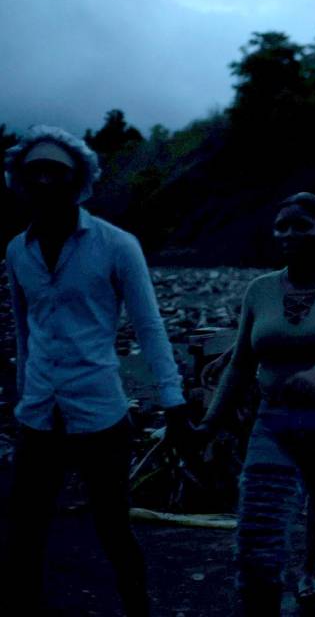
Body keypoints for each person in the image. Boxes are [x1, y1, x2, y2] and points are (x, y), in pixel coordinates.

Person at [2, 126, 193, 616]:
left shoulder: (116, 245)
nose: (45, 181)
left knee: (112, 527)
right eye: (34, 172)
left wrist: (173, 402)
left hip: (100, 412)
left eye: (56, 172)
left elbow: (149, 326)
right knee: (25, 529)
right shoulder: (16, 251)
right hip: (38, 414)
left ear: (79, 180)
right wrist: (20, 395)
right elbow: (26, 333)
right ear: (20, 181)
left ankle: (137, 609)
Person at [199, 192, 315, 617]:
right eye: (282, 226)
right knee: (256, 545)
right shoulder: (259, 290)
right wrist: (208, 425)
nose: (289, 234)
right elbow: (241, 364)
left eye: (302, 225)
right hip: (273, 424)